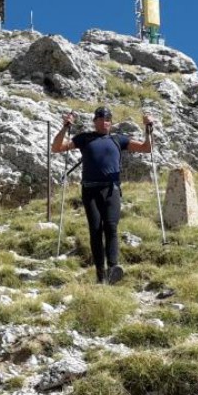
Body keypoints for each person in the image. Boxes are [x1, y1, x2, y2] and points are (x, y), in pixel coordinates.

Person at [51, 106, 153, 284]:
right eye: (100, 119)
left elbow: (146, 148)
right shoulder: (85, 138)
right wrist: (65, 127)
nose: (104, 122)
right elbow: (57, 147)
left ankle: (113, 268)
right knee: (96, 230)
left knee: (111, 227)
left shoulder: (118, 139)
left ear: (111, 122)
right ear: (94, 121)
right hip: (90, 190)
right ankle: (100, 275)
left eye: (107, 119)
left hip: (111, 189)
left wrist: (149, 128)